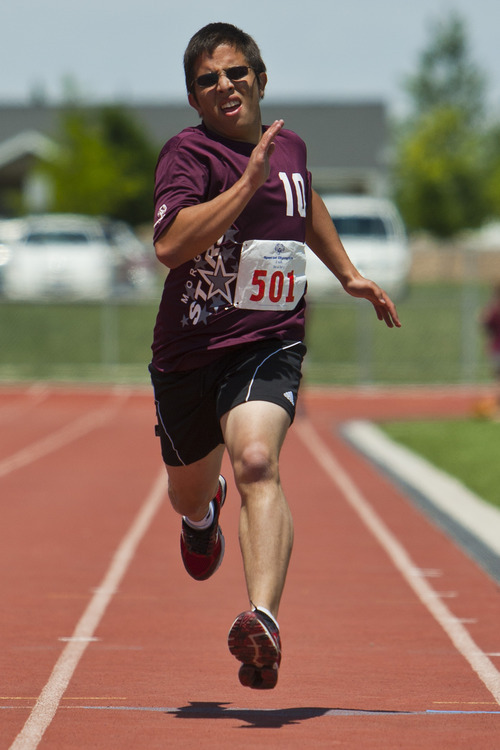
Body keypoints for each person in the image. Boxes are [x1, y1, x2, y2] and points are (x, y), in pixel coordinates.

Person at [149, 22, 401, 690]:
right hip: (189, 352)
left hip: (267, 340)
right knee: (187, 490)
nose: (225, 87)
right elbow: (170, 246)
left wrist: (346, 271)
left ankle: (263, 623)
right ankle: (202, 520)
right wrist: (244, 182)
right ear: (195, 99)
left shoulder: (287, 146)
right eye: (208, 81)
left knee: (259, 460)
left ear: (259, 77)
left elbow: (303, 196)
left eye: (235, 73)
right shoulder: (187, 155)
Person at [481, 282, 500, 417]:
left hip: (496, 349)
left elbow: (485, 324)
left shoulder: (494, 309)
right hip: (496, 348)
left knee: (498, 380)